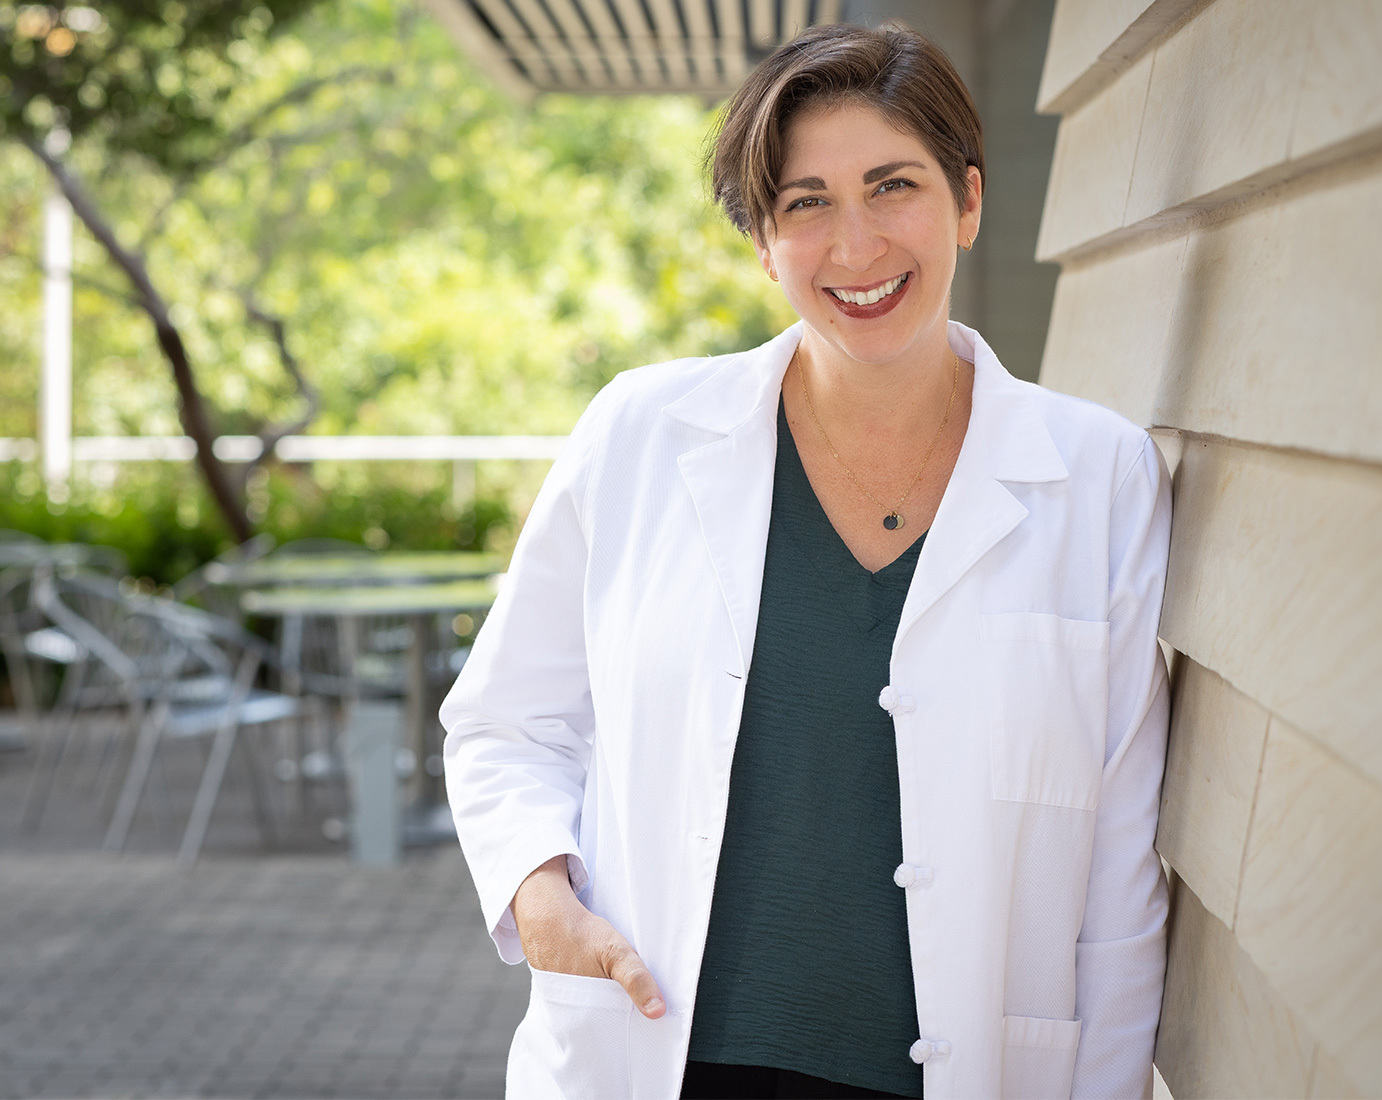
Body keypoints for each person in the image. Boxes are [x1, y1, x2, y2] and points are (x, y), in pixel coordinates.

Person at [441, 21, 1171, 1100]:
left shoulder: (1097, 473)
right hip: (666, 1052)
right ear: (763, 241)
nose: (856, 244)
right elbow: (507, 721)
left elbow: (1120, 873)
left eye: (893, 186)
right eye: (806, 202)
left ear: (968, 199)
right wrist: (540, 894)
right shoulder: (640, 434)